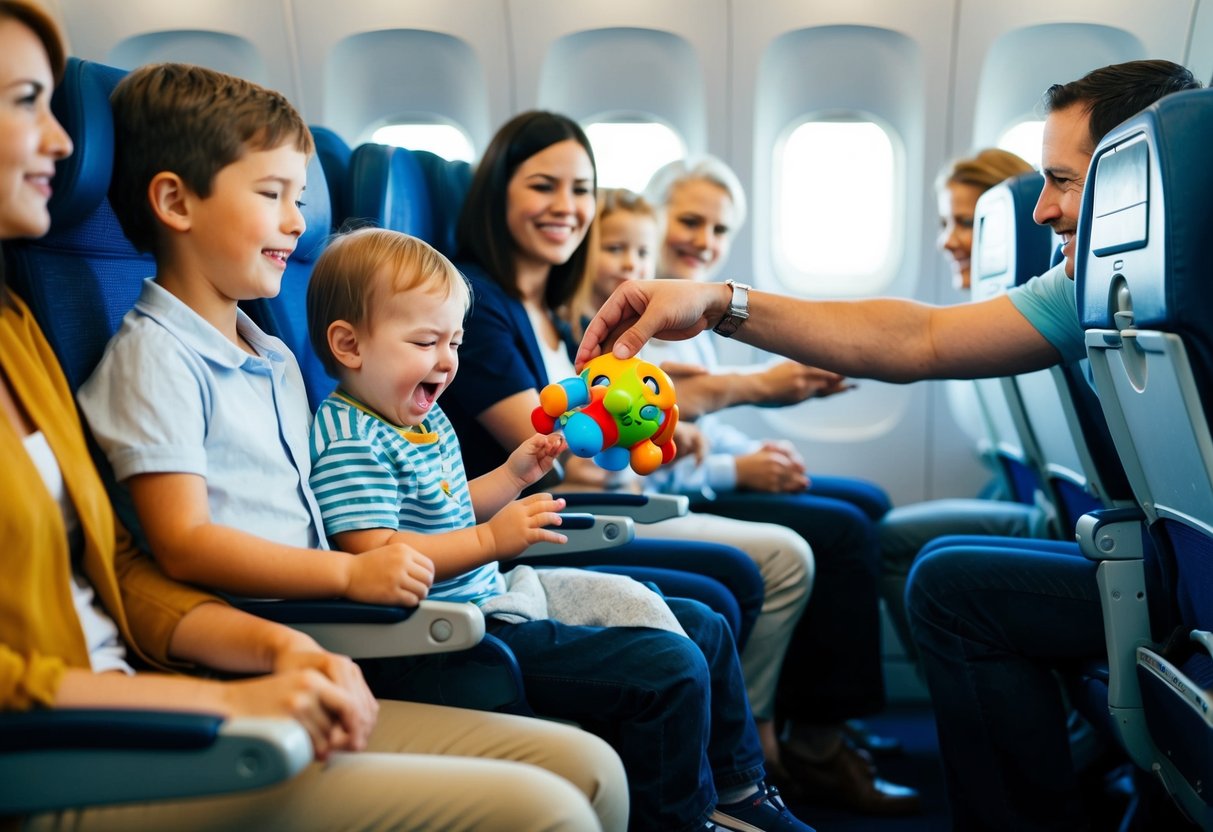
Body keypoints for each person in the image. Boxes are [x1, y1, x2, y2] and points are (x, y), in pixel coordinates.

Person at [0, 7, 626, 832]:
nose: (60, 141)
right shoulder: (151, 357)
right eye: (21, 103)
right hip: (96, 724)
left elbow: (121, 564)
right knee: (553, 807)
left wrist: (290, 648)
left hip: (265, 640)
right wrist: (341, 587)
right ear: (175, 204)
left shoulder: (40, 336)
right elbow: (180, 543)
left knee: (593, 775)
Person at [577, 59, 1202, 831]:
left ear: (1133, 179)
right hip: (1177, 565)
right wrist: (719, 304)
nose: (1042, 210)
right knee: (938, 572)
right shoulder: (1090, 284)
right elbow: (923, 337)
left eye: (1063, 182)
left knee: (948, 587)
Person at [439, 112, 826, 796]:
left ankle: (734, 779)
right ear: (497, 192)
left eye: (582, 188)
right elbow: (556, 449)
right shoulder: (479, 308)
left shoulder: (551, 304)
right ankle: (729, 779)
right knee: (732, 580)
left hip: (561, 503)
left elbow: (607, 414)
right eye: (543, 186)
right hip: (526, 522)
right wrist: (737, 395)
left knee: (727, 585)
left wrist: (670, 418)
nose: (568, 207)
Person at [636, 156, 922, 814]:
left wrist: (753, 449)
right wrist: (739, 467)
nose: (702, 240)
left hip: (700, 474)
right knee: (841, 528)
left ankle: (818, 719)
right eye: (687, 220)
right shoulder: (638, 305)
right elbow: (659, 436)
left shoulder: (688, 309)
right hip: (677, 491)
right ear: (650, 219)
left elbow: (701, 416)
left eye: (718, 229)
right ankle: (816, 742)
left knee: (864, 503)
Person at [876, 147, 1048, 665]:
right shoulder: (990, 317)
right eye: (945, 222)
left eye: (967, 224)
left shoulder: (1036, 320)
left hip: (1057, 516)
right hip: (1035, 503)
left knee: (903, 547)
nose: (948, 241)